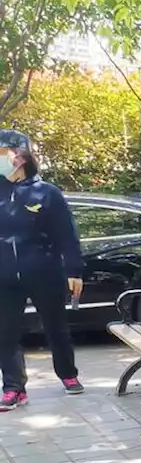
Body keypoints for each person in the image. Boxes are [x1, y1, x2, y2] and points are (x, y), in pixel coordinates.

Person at [0, 130, 84, 411]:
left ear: (19, 157)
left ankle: (68, 374)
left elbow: (67, 235)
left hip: (45, 272)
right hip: (5, 276)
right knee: (5, 332)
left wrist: (74, 270)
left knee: (56, 327)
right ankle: (13, 387)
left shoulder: (47, 193)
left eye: (1, 153)